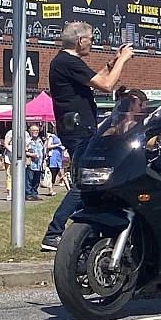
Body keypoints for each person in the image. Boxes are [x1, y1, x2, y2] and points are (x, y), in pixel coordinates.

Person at [41, 21, 134, 252]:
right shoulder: (67, 61)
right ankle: (55, 232)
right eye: (91, 38)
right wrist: (122, 61)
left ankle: (87, 229)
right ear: (80, 40)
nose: (93, 42)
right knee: (86, 182)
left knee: (90, 180)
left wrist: (110, 63)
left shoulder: (67, 63)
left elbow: (95, 78)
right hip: (78, 130)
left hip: (77, 129)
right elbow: (106, 84)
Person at [25, 124, 44, 201]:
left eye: (37, 130)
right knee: (29, 180)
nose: (36, 132)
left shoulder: (40, 141)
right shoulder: (28, 140)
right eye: (34, 130)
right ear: (30, 131)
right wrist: (32, 155)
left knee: (36, 181)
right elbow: (23, 151)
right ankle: (28, 195)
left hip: (39, 164)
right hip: (31, 163)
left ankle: (34, 194)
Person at [46, 129, 66, 195]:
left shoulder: (61, 136)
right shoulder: (52, 137)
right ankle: (50, 190)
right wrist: (58, 145)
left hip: (59, 156)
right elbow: (48, 146)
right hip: (53, 157)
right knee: (52, 173)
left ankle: (63, 185)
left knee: (58, 171)